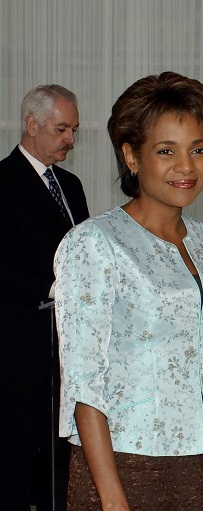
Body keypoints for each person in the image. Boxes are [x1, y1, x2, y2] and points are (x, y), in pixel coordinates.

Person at [53, 71, 203, 510]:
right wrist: (112, 499)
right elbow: (83, 386)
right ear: (131, 156)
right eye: (166, 151)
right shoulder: (93, 243)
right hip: (125, 465)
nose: (186, 167)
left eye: (198, 150)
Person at [0, 84, 89, 511]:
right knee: (15, 456)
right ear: (31, 125)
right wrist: (54, 287)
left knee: (61, 456)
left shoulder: (71, 185)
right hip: (17, 348)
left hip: (66, 349)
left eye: (73, 129)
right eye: (61, 129)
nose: (70, 139)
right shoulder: (2, 182)